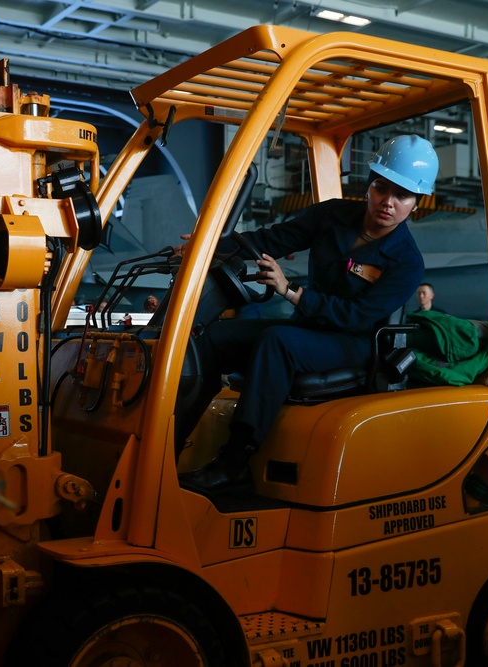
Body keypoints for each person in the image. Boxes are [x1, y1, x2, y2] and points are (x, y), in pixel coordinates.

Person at [178, 134, 437, 491]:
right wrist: (204, 248)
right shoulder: (331, 215)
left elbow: (356, 315)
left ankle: (235, 460)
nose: (387, 202)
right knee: (211, 340)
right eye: (381, 188)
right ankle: (172, 439)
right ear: (369, 186)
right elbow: (271, 239)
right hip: (309, 328)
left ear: (416, 204)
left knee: (278, 341)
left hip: (355, 342)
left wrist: (292, 292)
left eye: (402, 196)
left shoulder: (407, 262)